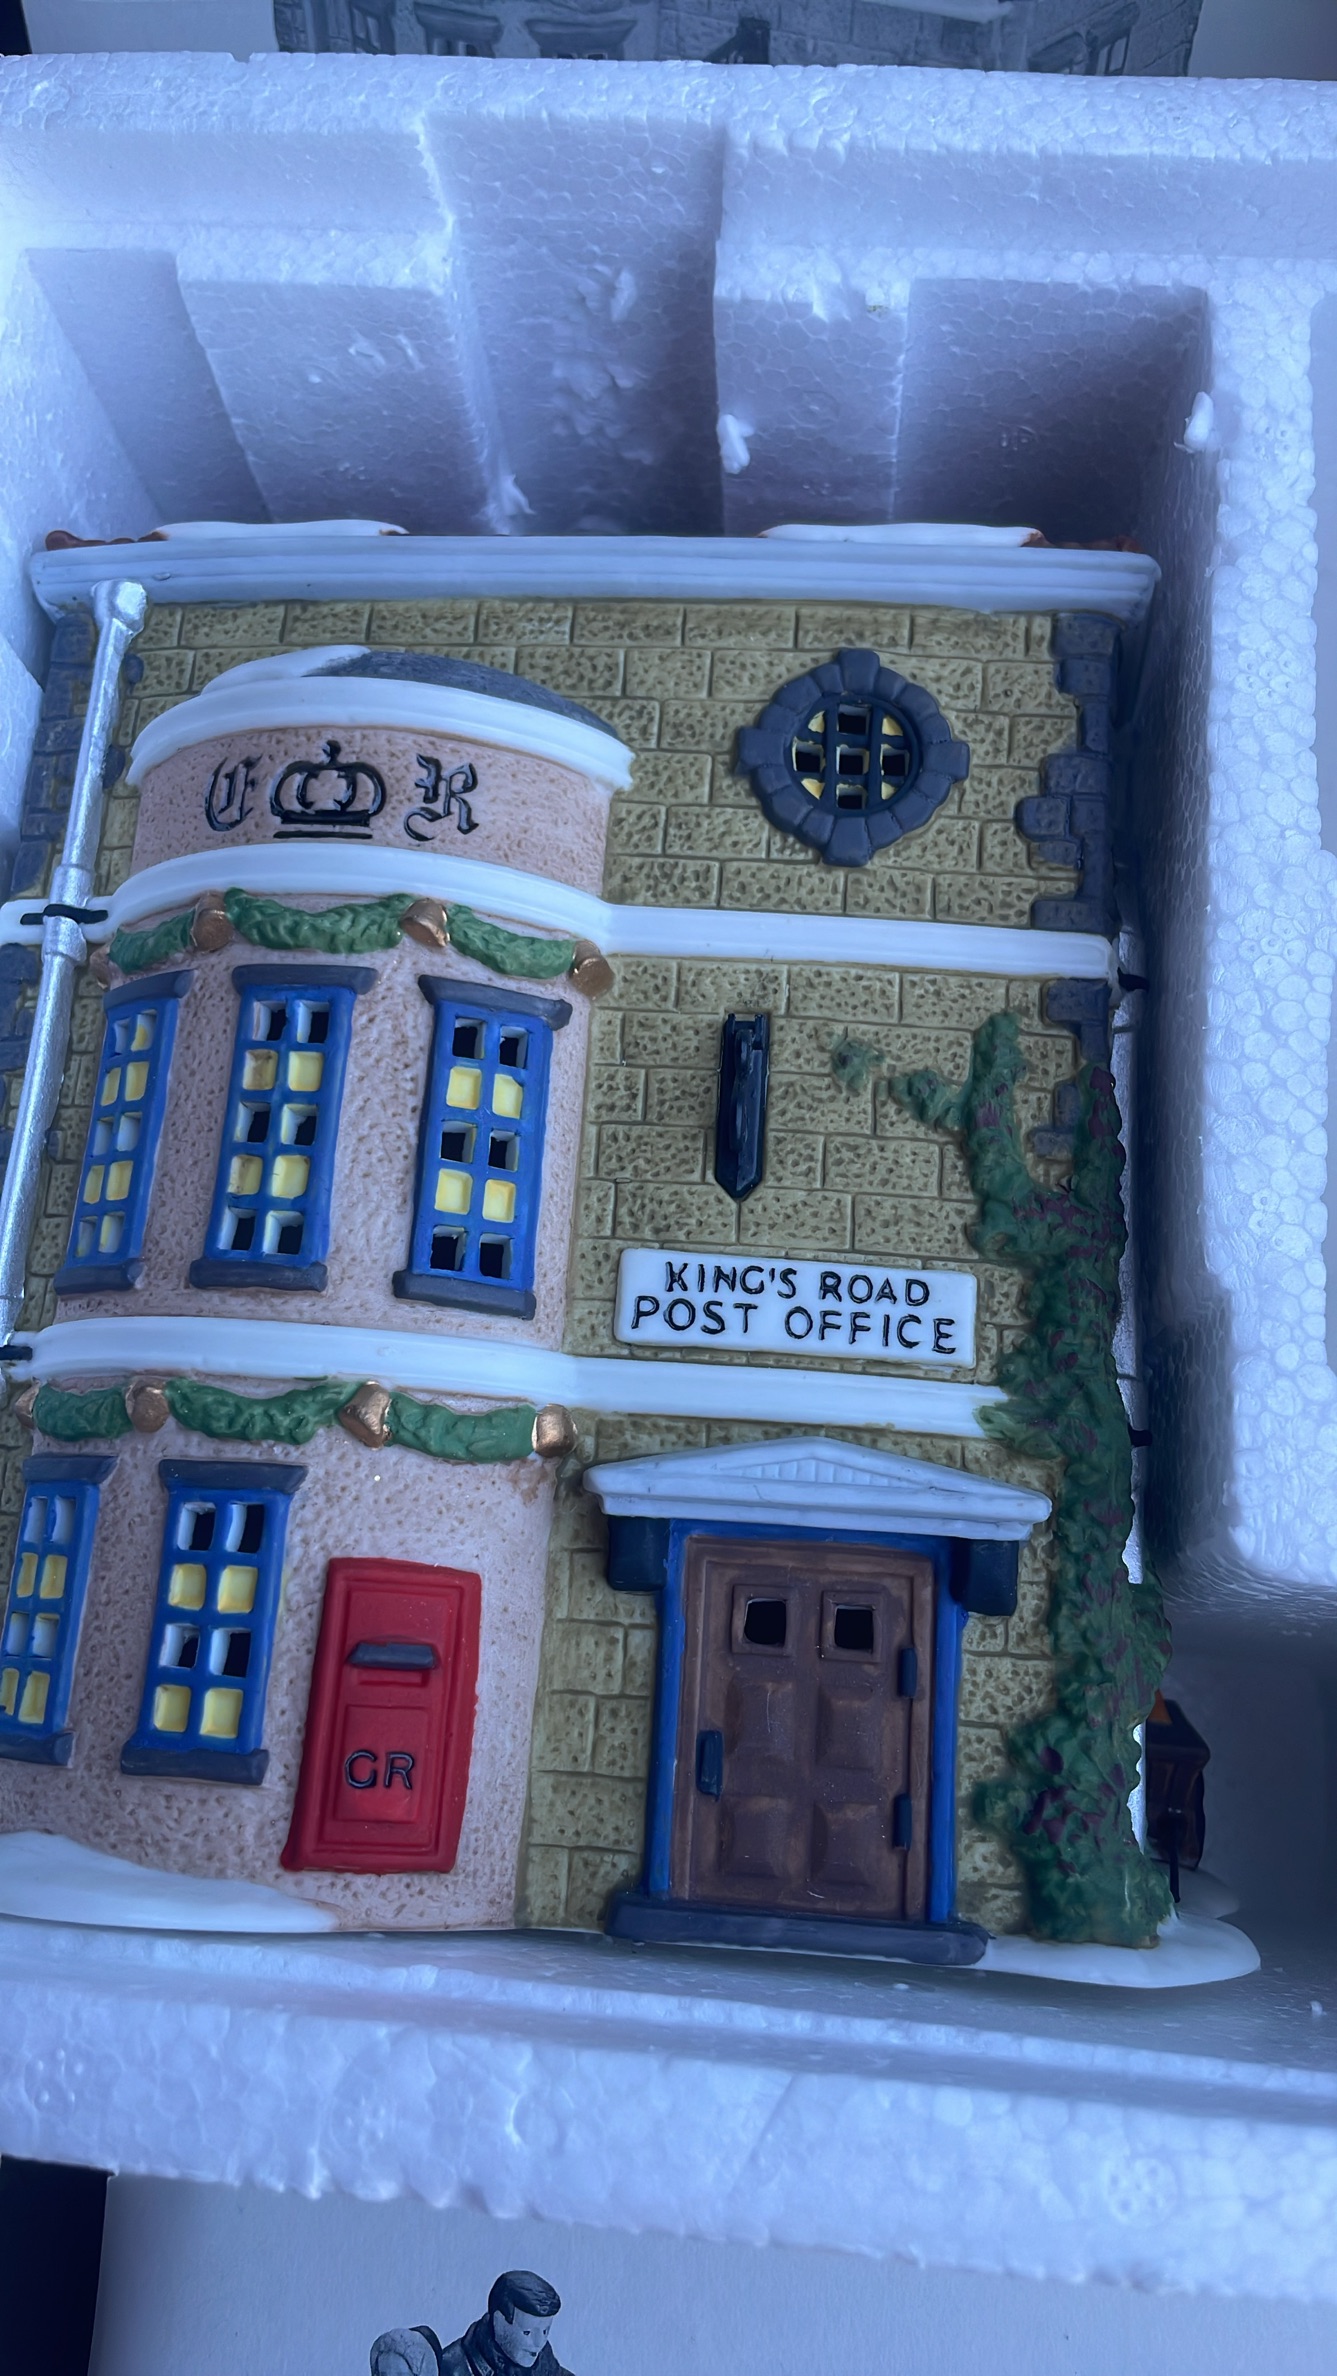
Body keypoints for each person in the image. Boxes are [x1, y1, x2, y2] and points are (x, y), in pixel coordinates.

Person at [371, 2271, 572, 2376]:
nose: (538, 2343)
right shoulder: (454, 2368)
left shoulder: (545, 2364)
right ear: (499, 2322)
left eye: (545, 2331)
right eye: (527, 2332)